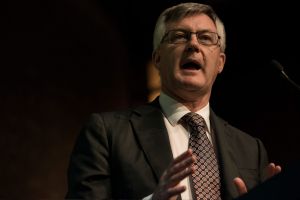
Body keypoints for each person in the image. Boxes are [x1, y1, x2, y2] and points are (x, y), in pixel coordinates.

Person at [65, 2, 281, 200]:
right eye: (179, 36)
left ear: (220, 63)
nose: (193, 44)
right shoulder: (107, 133)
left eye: (206, 38)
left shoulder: (251, 149)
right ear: (157, 58)